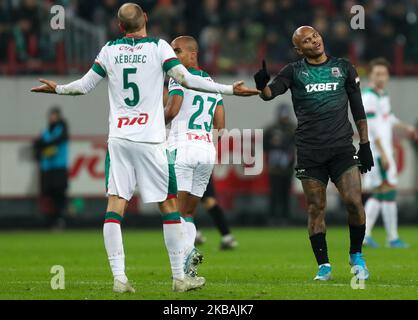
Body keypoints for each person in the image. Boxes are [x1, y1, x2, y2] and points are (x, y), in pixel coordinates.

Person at [31, 3, 259, 293]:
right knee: (169, 206)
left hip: (120, 139)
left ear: (119, 26)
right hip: (151, 140)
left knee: (115, 206)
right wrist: (229, 90)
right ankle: (179, 277)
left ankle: (120, 278)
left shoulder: (109, 50)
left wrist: (58, 89)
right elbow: (185, 79)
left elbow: (85, 86)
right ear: (146, 19)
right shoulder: (159, 47)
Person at [254, 26, 374, 281]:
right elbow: (269, 95)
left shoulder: (343, 67)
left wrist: (365, 145)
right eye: (306, 41)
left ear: (321, 36)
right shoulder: (293, 71)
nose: (314, 41)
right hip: (310, 151)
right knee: (315, 208)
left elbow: (358, 109)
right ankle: (324, 266)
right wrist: (262, 85)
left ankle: (356, 255)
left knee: (353, 202)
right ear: (299, 49)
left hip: (342, 148)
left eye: (315, 36)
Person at [164, 35, 234, 277]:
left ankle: (186, 257)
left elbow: (172, 110)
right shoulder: (213, 84)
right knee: (190, 213)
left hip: (182, 147)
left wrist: (153, 124)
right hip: (206, 150)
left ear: (193, 54)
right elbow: (221, 126)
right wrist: (206, 145)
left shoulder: (178, 77)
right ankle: (190, 267)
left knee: (176, 212)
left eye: (177, 51)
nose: (173, 56)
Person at [362, 58, 418, 248]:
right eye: (377, 73)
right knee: (388, 191)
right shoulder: (369, 96)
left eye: (384, 73)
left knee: (380, 193)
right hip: (378, 151)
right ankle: (392, 237)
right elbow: (370, 126)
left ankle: (366, 235)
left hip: (383, 150)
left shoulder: (382, 95)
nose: (381, 77)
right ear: (370, 75)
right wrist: (384, 154)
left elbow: (389, 118)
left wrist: (407, 128)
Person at [34, 107, 69, 230]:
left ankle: (60, 219)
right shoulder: (46, 132)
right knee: (48, 195)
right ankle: (50, 220)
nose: (52, 118)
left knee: (59, 194)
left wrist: (43, 145)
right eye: (51, 115)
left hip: (59, 167)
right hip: (47, 168)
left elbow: (55, 140)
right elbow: (37, 146)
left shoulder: (62, 130)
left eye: (55, 115)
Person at [263, 103, 296, 224]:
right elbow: (264, 146)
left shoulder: (293, 129)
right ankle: (272, 217)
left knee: (285, 193)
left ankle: (285, 217)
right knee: (274, 193)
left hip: (287, 167)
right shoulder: (271, 130)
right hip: (274, 167)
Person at [195, 176, 239, 250]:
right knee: (189, 202)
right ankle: (195, 233)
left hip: (195, 169)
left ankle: (227, 237)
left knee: (208, 202)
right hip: (197, 168)